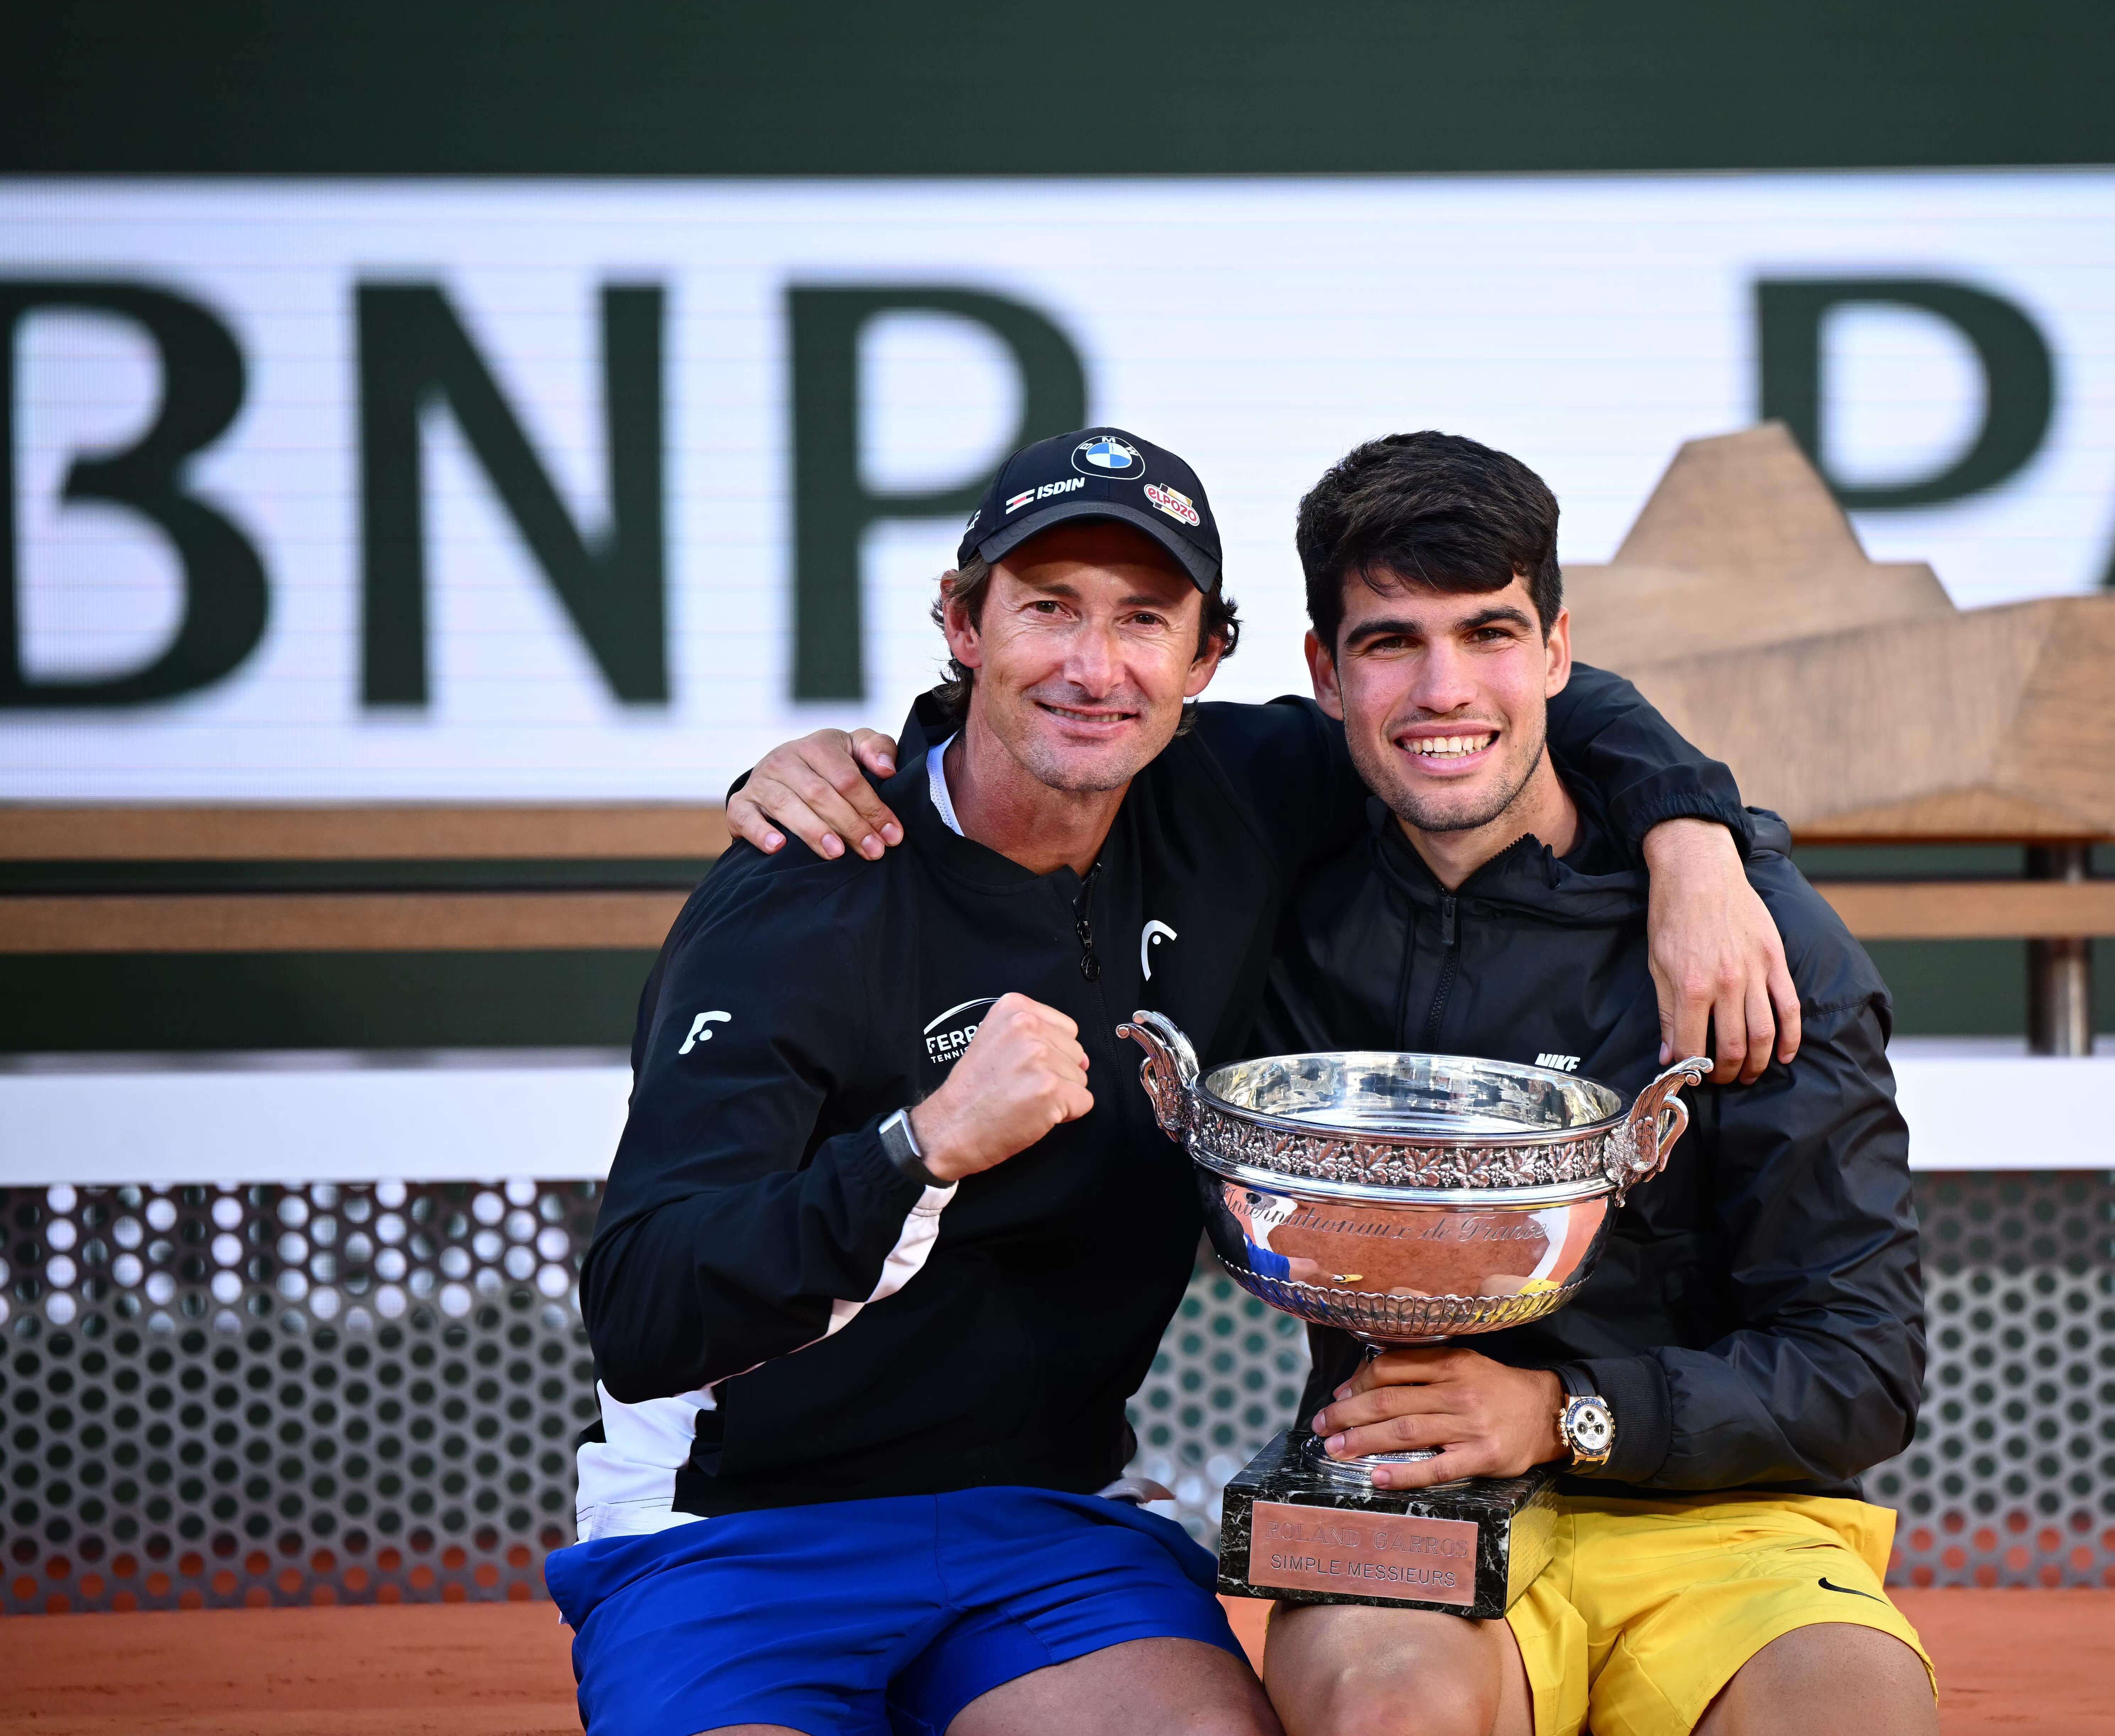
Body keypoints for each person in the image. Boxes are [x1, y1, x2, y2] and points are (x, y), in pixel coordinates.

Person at [557, 427, 1794, 1736]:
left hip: (1047, 1529)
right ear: (962, 623)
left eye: (1145, 619)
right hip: (736, 1538)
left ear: (1207, 659)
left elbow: (1499, 697)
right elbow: (644, 1314)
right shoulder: (805, 886)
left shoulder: (1233, 793)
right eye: (1048, 610)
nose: (1096, 667)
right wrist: (916, 1149)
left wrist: (1695, 839)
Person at [1257, 434, 1931, 1736]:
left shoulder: (1752, 947)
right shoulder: (1267, 878)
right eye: (1393, 642)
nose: (1445, 690)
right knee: (1389, 1719)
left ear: (1558, 654)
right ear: (1325, 676)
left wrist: (1559, 1413)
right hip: (1410, 1493)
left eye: (1490, 634)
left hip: (1721, 1515)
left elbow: (1862, 1365)